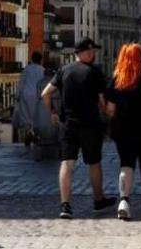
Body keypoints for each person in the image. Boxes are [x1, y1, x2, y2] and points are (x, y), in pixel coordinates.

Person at [41, 38, 117, 219]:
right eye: (91, 51)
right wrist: (111, 114)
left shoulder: (63, 70)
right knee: (94, 163)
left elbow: (45, 93)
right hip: (90, 125)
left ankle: (65, 205)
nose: (94, 54)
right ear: (85, 52)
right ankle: (98, 200)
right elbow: (102, 103)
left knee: (67, 163)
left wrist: (52, 112)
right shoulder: (95, 72)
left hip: (68, 124)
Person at [105, 43, 141, 220]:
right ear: (139, 58)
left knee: (126, 165)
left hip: (123, 130)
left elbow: (110, 110)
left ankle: (124, 201)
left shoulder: (117, 79)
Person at [13, 52, 48, 147]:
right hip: (37, 96)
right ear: (41, 60)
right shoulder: (43, 70)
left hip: (26, 95)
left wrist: (17, 95)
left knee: (26, 116)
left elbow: (21, 82)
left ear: (32, 59)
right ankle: (34, 134)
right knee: (36, 116)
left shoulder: (27, 69)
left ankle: (30, 133)